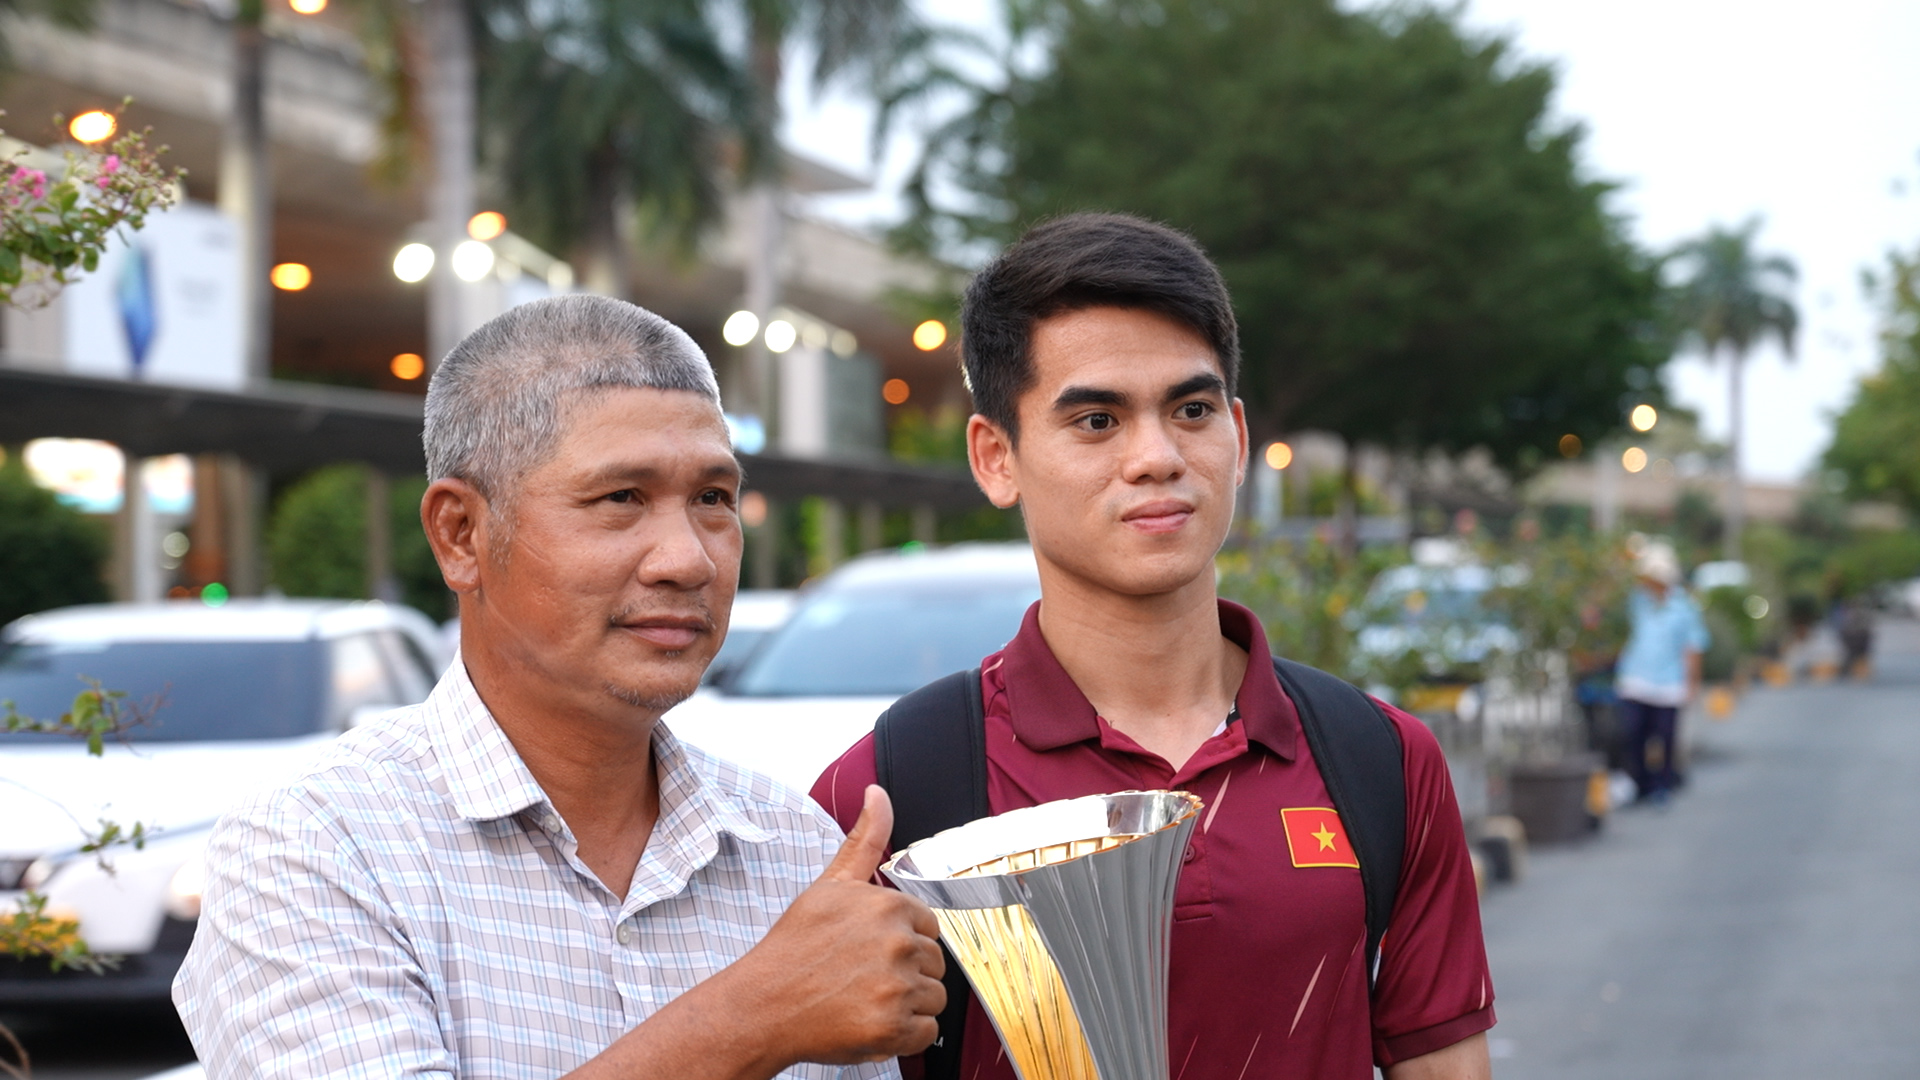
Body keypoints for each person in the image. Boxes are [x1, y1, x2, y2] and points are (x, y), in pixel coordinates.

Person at [174, 296, 945, 1080]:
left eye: (713, 499)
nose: (687, 560)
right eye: (621, 499)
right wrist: (751, 1019)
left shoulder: (792, 852)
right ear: (461, 535)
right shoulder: (317, 846)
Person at [811, 214, 1494, 1080]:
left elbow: (1446, 1065)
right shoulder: (886, 789)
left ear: (1238, 439)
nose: (1157, 457)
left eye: (1193, 409)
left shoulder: (1383, 761)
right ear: (996, 457)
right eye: (1097, 420)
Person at [1613, 542, 1708, 806]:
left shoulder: (1683, 607)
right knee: (1633, 734)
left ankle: (1661, 784)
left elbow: (1692, 647)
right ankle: (1640, 783)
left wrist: (1692, 682)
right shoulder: (1636, 601)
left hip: (1668, 682)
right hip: (1636, 678)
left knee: (1665, 736)